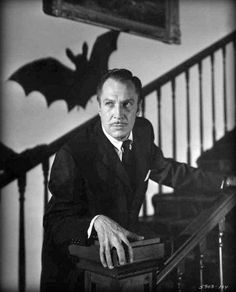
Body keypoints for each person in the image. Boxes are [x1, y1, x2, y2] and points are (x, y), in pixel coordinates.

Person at [40, 68, 235, 292]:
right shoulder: (73, 152)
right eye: (110, 104)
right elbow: (55, 223)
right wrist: (95, 222)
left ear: (138, 106)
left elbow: (167, 170)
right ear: (99, 106)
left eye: (127, 104)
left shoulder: (143, 131)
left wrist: (222, 182)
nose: (118, 114)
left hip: (125, 263)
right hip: (76, 271)